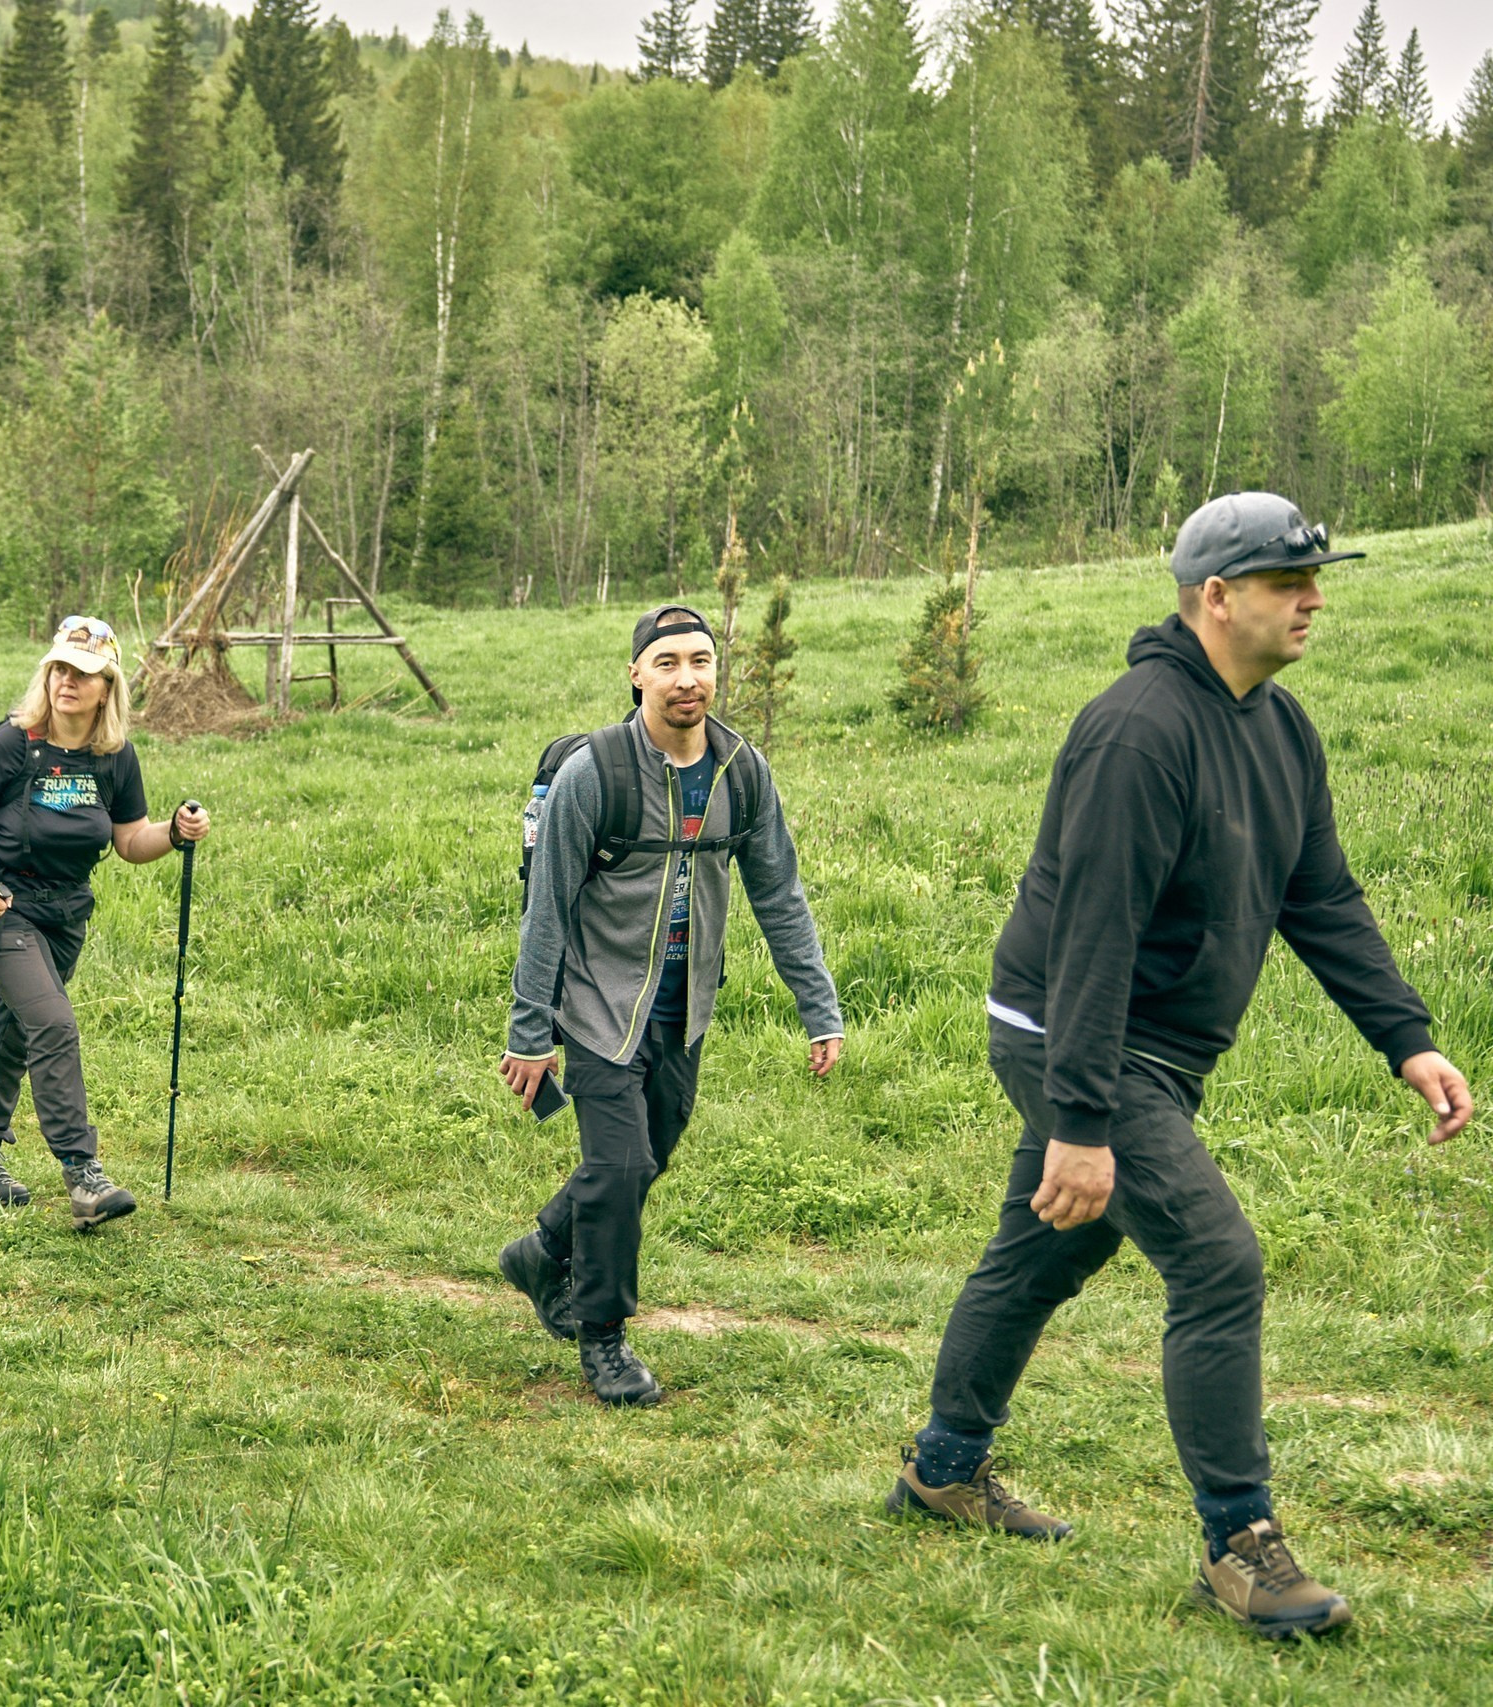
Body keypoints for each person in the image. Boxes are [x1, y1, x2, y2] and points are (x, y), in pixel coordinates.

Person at [888, 493, 1474, 1639]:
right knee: (1215, 1262)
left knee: (1042, 1254)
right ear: (1216, 597)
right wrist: (1082, 1122)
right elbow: (1093, 939)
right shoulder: (1138, 730)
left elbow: (1320, 897)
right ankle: (1240, 1545)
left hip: (1141, 1042)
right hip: (1072, 1032)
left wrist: (1405, 1037)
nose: (1312, 600)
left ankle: (940, 1472)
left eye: (1317, 579)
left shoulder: (1279, 726)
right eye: (1285, 582)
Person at [500, 604, 844, 1408]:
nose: (687, 678)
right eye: (667, 663)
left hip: (682, 1007)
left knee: (643, 1158)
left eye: (700, 660)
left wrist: (819, 1007)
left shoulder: (741, 771)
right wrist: (530, 1031)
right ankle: (604, 1336)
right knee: (620, 1165)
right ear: (636, 675)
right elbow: (545, 909)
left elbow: (780, 895)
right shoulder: (597, 775)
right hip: (597, 1005)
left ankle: (543, 1246)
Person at [0, 616, 209, 1229]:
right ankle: (82, 1174)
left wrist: (174, 831)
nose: (67, 681)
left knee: (17, 1027)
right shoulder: (10, 744)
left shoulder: (113, 757)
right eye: (59, 668)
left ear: (106, 686)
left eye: (83, 674)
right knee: (53, 1023)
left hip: (64, 915)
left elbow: (131, 840)